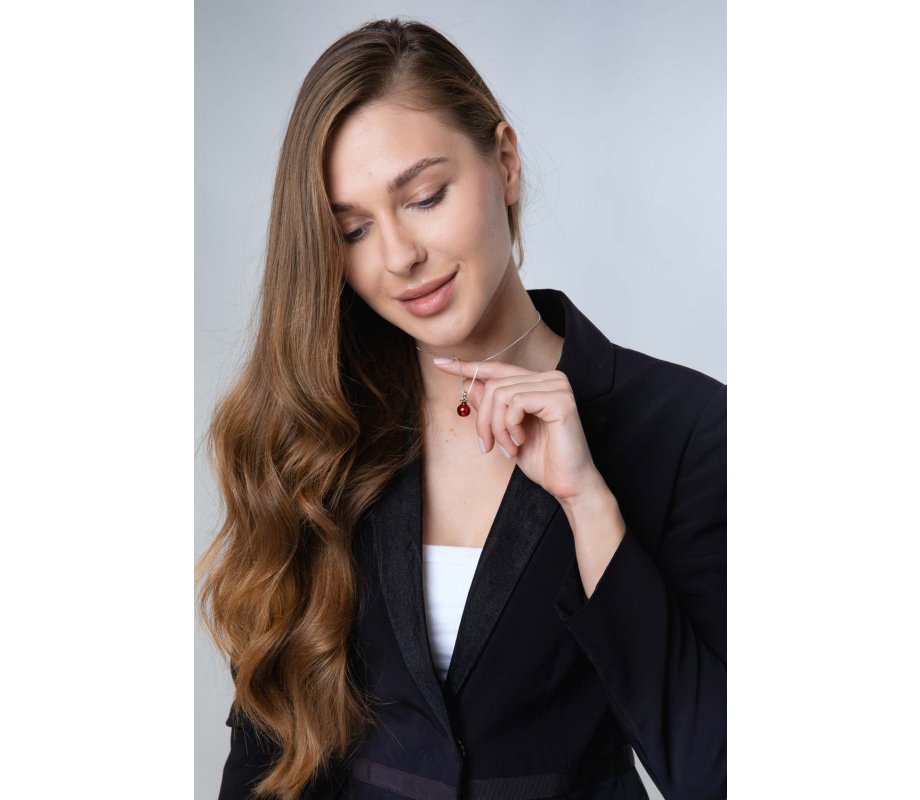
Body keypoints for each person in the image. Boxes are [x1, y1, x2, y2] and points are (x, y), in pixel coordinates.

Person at [197, 17, 726, 800]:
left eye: (425, 196)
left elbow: (716, 768)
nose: (399, 257)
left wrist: (591, 509)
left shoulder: (685, 429)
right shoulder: (322, 434)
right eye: (353, 230)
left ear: (504, 162)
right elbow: (267, 756)